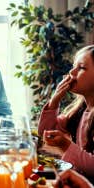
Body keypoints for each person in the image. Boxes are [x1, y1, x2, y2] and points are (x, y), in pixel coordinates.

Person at [38, 45, 94, 181]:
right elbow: (45, 132)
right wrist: (55, 99)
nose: (72, 72)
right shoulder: (79, 111)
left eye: (81, 68)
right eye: (73, 66)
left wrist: (66, 145)